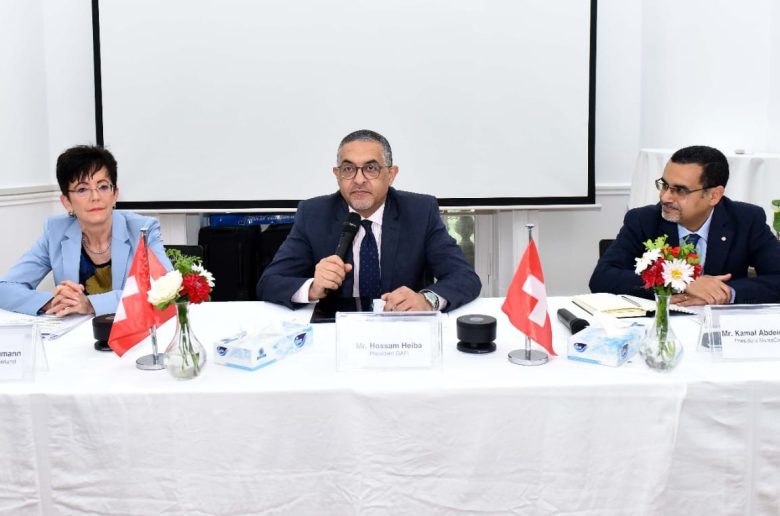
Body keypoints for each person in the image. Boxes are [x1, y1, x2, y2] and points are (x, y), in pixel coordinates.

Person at [257, 129, 481, 312]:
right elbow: (269, 282)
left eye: (371, 168)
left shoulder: (420, 212)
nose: (359, 179)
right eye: (348, 169)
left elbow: (464, 277)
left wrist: (427, 300)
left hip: (402, 329)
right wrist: (313, 288)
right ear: (337, 175)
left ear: (391, 174)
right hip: (336, 331)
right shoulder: (313, 214)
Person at [590, 145, 780, 305]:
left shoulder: (746, 219)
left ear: (714, 195)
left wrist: (725, 293)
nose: (665, 197)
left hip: (721, 329)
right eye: (664, 185)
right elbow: (602, 277)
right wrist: (680, 282)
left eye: (680, 190)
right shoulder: (643, 220)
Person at [0, 145, 172, 316]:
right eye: (82, 189)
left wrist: (90, 304)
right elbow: (5, 288)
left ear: (115, 195)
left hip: (131, 329)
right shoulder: (55, 233)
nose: (95, 197)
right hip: (75, 331)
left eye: (103, 186)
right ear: (67, 202)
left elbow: (165, 288)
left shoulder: (143, 230)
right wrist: (53, 302)